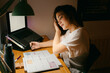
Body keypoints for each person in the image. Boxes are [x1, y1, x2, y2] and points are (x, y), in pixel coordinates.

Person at [30, 5, 90, 73]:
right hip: (66, 66)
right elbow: (56, 42)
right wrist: (39, 45)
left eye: (60, 18)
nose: (59, 23)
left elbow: (55, 50)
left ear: (70, 15)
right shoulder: (70, 32)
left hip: (72, 71)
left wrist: (57, 31)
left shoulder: (79, 33)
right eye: (57, 21)